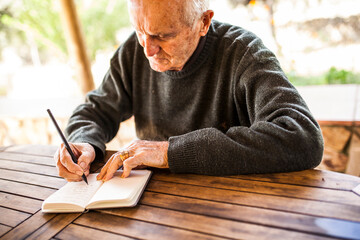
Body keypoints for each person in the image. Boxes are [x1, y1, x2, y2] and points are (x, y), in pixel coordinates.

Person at [54, 0, 324, 182]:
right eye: (139, 31)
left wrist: (169, 152)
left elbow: (302, 137)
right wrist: (84, 142)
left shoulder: (243, 53)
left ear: (204, 22)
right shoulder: (133, 51)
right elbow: (95, 111)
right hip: (150, 208)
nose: (147, 50)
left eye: (163, 35)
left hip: (231, 205)